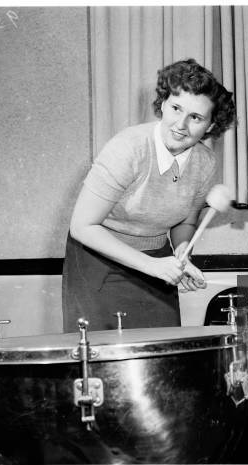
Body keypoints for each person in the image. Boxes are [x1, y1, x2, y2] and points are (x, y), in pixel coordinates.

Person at [62, 58, 236, 332]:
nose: (181, 124)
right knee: (103, 360)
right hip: (99, 260)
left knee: (163, 356)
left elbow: (185, 222)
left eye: (196, 117)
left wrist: (181, 252)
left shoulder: (205, 162)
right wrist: (152, 266)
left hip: (157, 258)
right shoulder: (128, 149)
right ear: (163, 105)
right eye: (176, 108)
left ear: (211, 126)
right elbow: (83, 226)